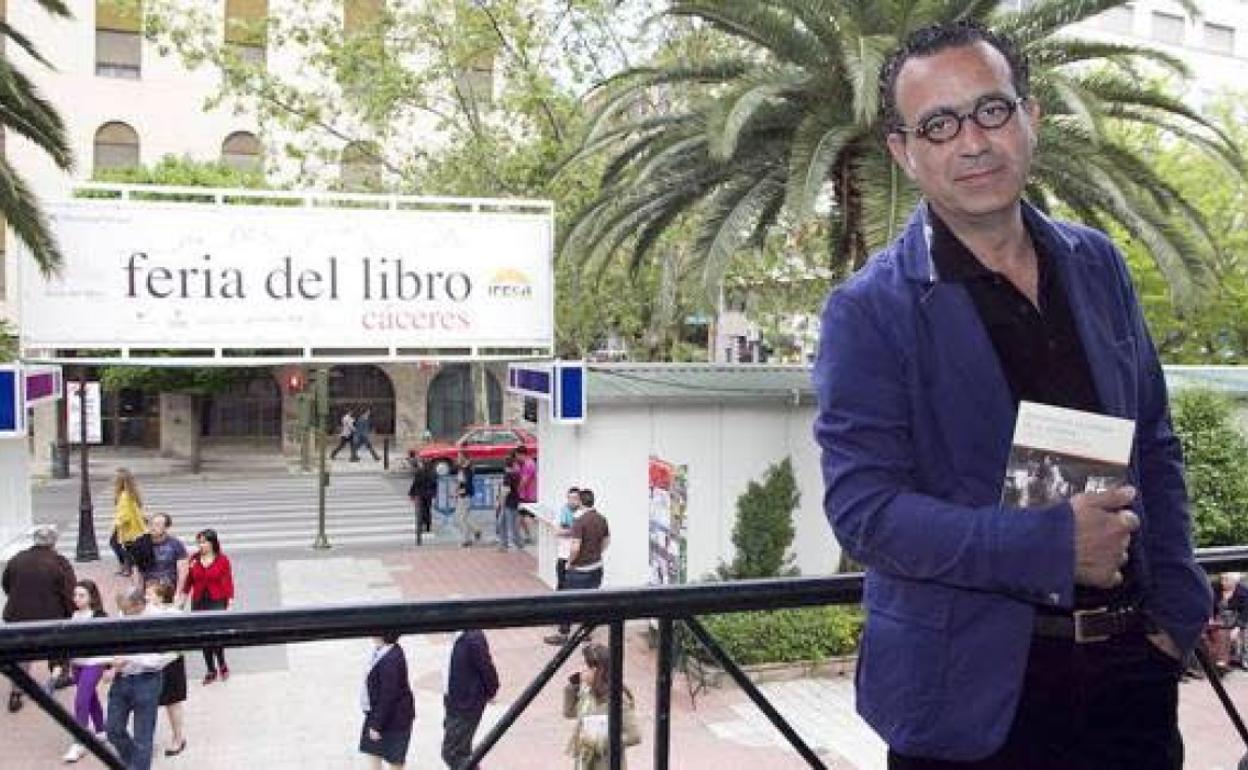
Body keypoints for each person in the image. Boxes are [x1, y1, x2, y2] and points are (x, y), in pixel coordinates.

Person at [812, 22, 1211, 770]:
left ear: (1030, 117)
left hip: (1131, 677)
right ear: (904, 151)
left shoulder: (1098, 264)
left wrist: (1177, 609)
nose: (972, 142)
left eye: (991, 110)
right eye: (939, 124)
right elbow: (866, 513)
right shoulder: (869, 311)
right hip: (970, 702)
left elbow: (1153, 440)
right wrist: (1053, 545)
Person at [1, 523, 75, 713]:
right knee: (57, 646)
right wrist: (70, 612)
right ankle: (58, 677)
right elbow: (68, 591)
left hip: (17, 615)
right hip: (50, 616)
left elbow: (6, 584)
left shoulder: (17, 559)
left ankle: (16, 692)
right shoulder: (59, 562)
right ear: (53, 542)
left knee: (21, 653)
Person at [104, 586, 174, 770]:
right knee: (112, 729)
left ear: (139, 604)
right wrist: (112, 667)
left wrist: (129, 658)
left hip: (147, 680)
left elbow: (162, 658)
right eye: (121, 609)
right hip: (122, 679)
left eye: (127, 610)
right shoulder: (124, 614)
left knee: (143, 737)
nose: (123, 614)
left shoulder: (158, 618)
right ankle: (133, 764)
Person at [563, 642, 640, 770]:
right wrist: (573, 685)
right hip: (585, 762)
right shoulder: (587, 692)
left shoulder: (618, 699)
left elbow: (634, 736)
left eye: (585, 667)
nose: (581, 670)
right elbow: (569, 712)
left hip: (606, 763)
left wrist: (601, 742)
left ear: (597, 670)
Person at [56, 579, 110, 763]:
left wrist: (108, 667)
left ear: (91, 597)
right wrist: (60, 663)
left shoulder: (99, 616)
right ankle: (101, 730)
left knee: (81, 700)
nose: (76, 599)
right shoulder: (73, 615)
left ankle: (79, 743)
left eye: (81, 595)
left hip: (93, 663)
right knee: (90, 697)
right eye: (75, 595)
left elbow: (108, 642)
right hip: (76, 663)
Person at [546, 489, 609, 645]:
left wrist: (570, 562)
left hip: (580, 570)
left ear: (581, 502)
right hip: (597, 568)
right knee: (590, 601)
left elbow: (575, 547)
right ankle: (585, 633)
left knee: (567, 601)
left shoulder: (580, 521)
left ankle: (563, 634)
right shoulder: (601, 519)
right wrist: (596, 553)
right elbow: (606, 541)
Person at [441, 629, 500, 769]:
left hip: (466, 704)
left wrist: (491, 691)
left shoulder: (473, 638)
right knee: (460, 751)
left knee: (453, 753)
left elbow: (486, 667)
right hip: (453, 700)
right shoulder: (457, 636)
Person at [182, 528, 235, 685]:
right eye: (199, 542)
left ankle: (222, 663)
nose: (201, 545)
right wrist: (183, 597)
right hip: (199, 601)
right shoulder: (194, 559)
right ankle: (210, 669)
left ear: (212, 543)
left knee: (216, 635)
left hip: (217, 600)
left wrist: (230, 601)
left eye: (204, 542)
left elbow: (228, 580)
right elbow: (189, 580)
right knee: (203, 636)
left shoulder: (222, 559)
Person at [359, 632, 416, 770]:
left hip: (394, 719)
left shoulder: (391, 659)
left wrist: (376, 725)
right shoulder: (384, 650)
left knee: (394, 760)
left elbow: (388, 696)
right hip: (378, 713)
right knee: (373, 753)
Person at [145, 581, 189, 757]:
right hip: (152, 662)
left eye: (150, 594)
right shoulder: (147, 613)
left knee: (172, 702)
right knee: (149, 703)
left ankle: (178, 738)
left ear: (161, 597)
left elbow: (182, 643)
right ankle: (147, 740)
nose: (146, 597)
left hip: (170, 662)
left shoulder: (173, 614)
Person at [111, 468, 147, 578]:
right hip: (134, 526)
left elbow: (124, 515)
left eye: (115, 479)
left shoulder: (124, 496)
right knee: (125, 546)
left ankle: (127, 567)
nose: (113, 481)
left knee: (118, 545)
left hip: (127, 527)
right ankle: (126, 567)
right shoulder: (131, 493)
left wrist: (117, 523)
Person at [142, 512, 188, 595]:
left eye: (157, 525)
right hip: (149, 592)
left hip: (169, 591)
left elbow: (183, 572)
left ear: (166, 527)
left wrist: (178, 593)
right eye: (151, 524)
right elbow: (137, 570)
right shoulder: (142, 544)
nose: (153, 527)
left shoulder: (176, 544)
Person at [495, 457, 523, 552]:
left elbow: (506, 490)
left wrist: (500, 502)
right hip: (514, 501)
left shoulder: (507, 476)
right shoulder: (516, 475)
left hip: (507, 502)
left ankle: (510, 544)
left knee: (505, 523)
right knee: (510, 523)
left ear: (505, 466)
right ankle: (509, 544)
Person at [453, 453, 481, 546]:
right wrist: (456, 492)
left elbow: (466, 485)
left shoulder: (466, 470)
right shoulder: (463, 469)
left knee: (461, 519)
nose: (457, 459)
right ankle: (476, 530)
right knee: (463, 517)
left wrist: (458, 492)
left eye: (459, 457)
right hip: (463, 496)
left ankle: (466, 539)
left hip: (465, 496)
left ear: (464, 459)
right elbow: (460, 483)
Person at [408, 456, 437, 535]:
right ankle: (428, 525)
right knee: (427, 509)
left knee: (422, 510)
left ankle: (424, 524)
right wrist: (434, 493)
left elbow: (415, 483)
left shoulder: (420, 471)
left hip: (421, 493)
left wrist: (411, 493)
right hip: (429, 494)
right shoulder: (432, 471)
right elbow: (434, 484)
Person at [516, 447, 538, 545]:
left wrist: (516, 490)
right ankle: (528, 536)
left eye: (517, 456)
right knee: (521, 516)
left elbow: (524, 481)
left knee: (527, 517)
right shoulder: (524, 464)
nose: (517, 458)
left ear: (521, 454)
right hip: (524, 495)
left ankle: (531, 536)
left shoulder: (529, 464)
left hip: (529, 495)